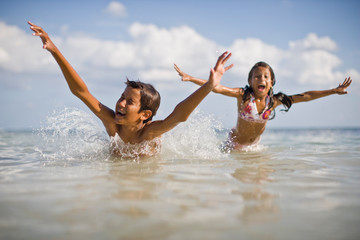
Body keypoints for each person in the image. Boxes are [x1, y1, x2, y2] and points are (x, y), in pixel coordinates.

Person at [28, 21, 233, 157]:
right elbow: (81, 92)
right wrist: (54, 50)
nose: (121, 103)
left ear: (145, 114)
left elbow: (178, 116)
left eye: (130, 101)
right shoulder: (112, 125)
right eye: (122, 97)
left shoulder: (149, 133)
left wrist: (208, 86)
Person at [174, 61, 352, 151]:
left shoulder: (273, 101)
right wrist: (190, 78)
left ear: (272, 82)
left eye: (266, 77)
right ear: (250, 81)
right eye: (257, 76)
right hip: (233, 145)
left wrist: (333, 91)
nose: (261, 79)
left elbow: (305, 96)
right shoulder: (243, 96)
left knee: (261, 179)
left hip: (254, 147)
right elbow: (217, 87)